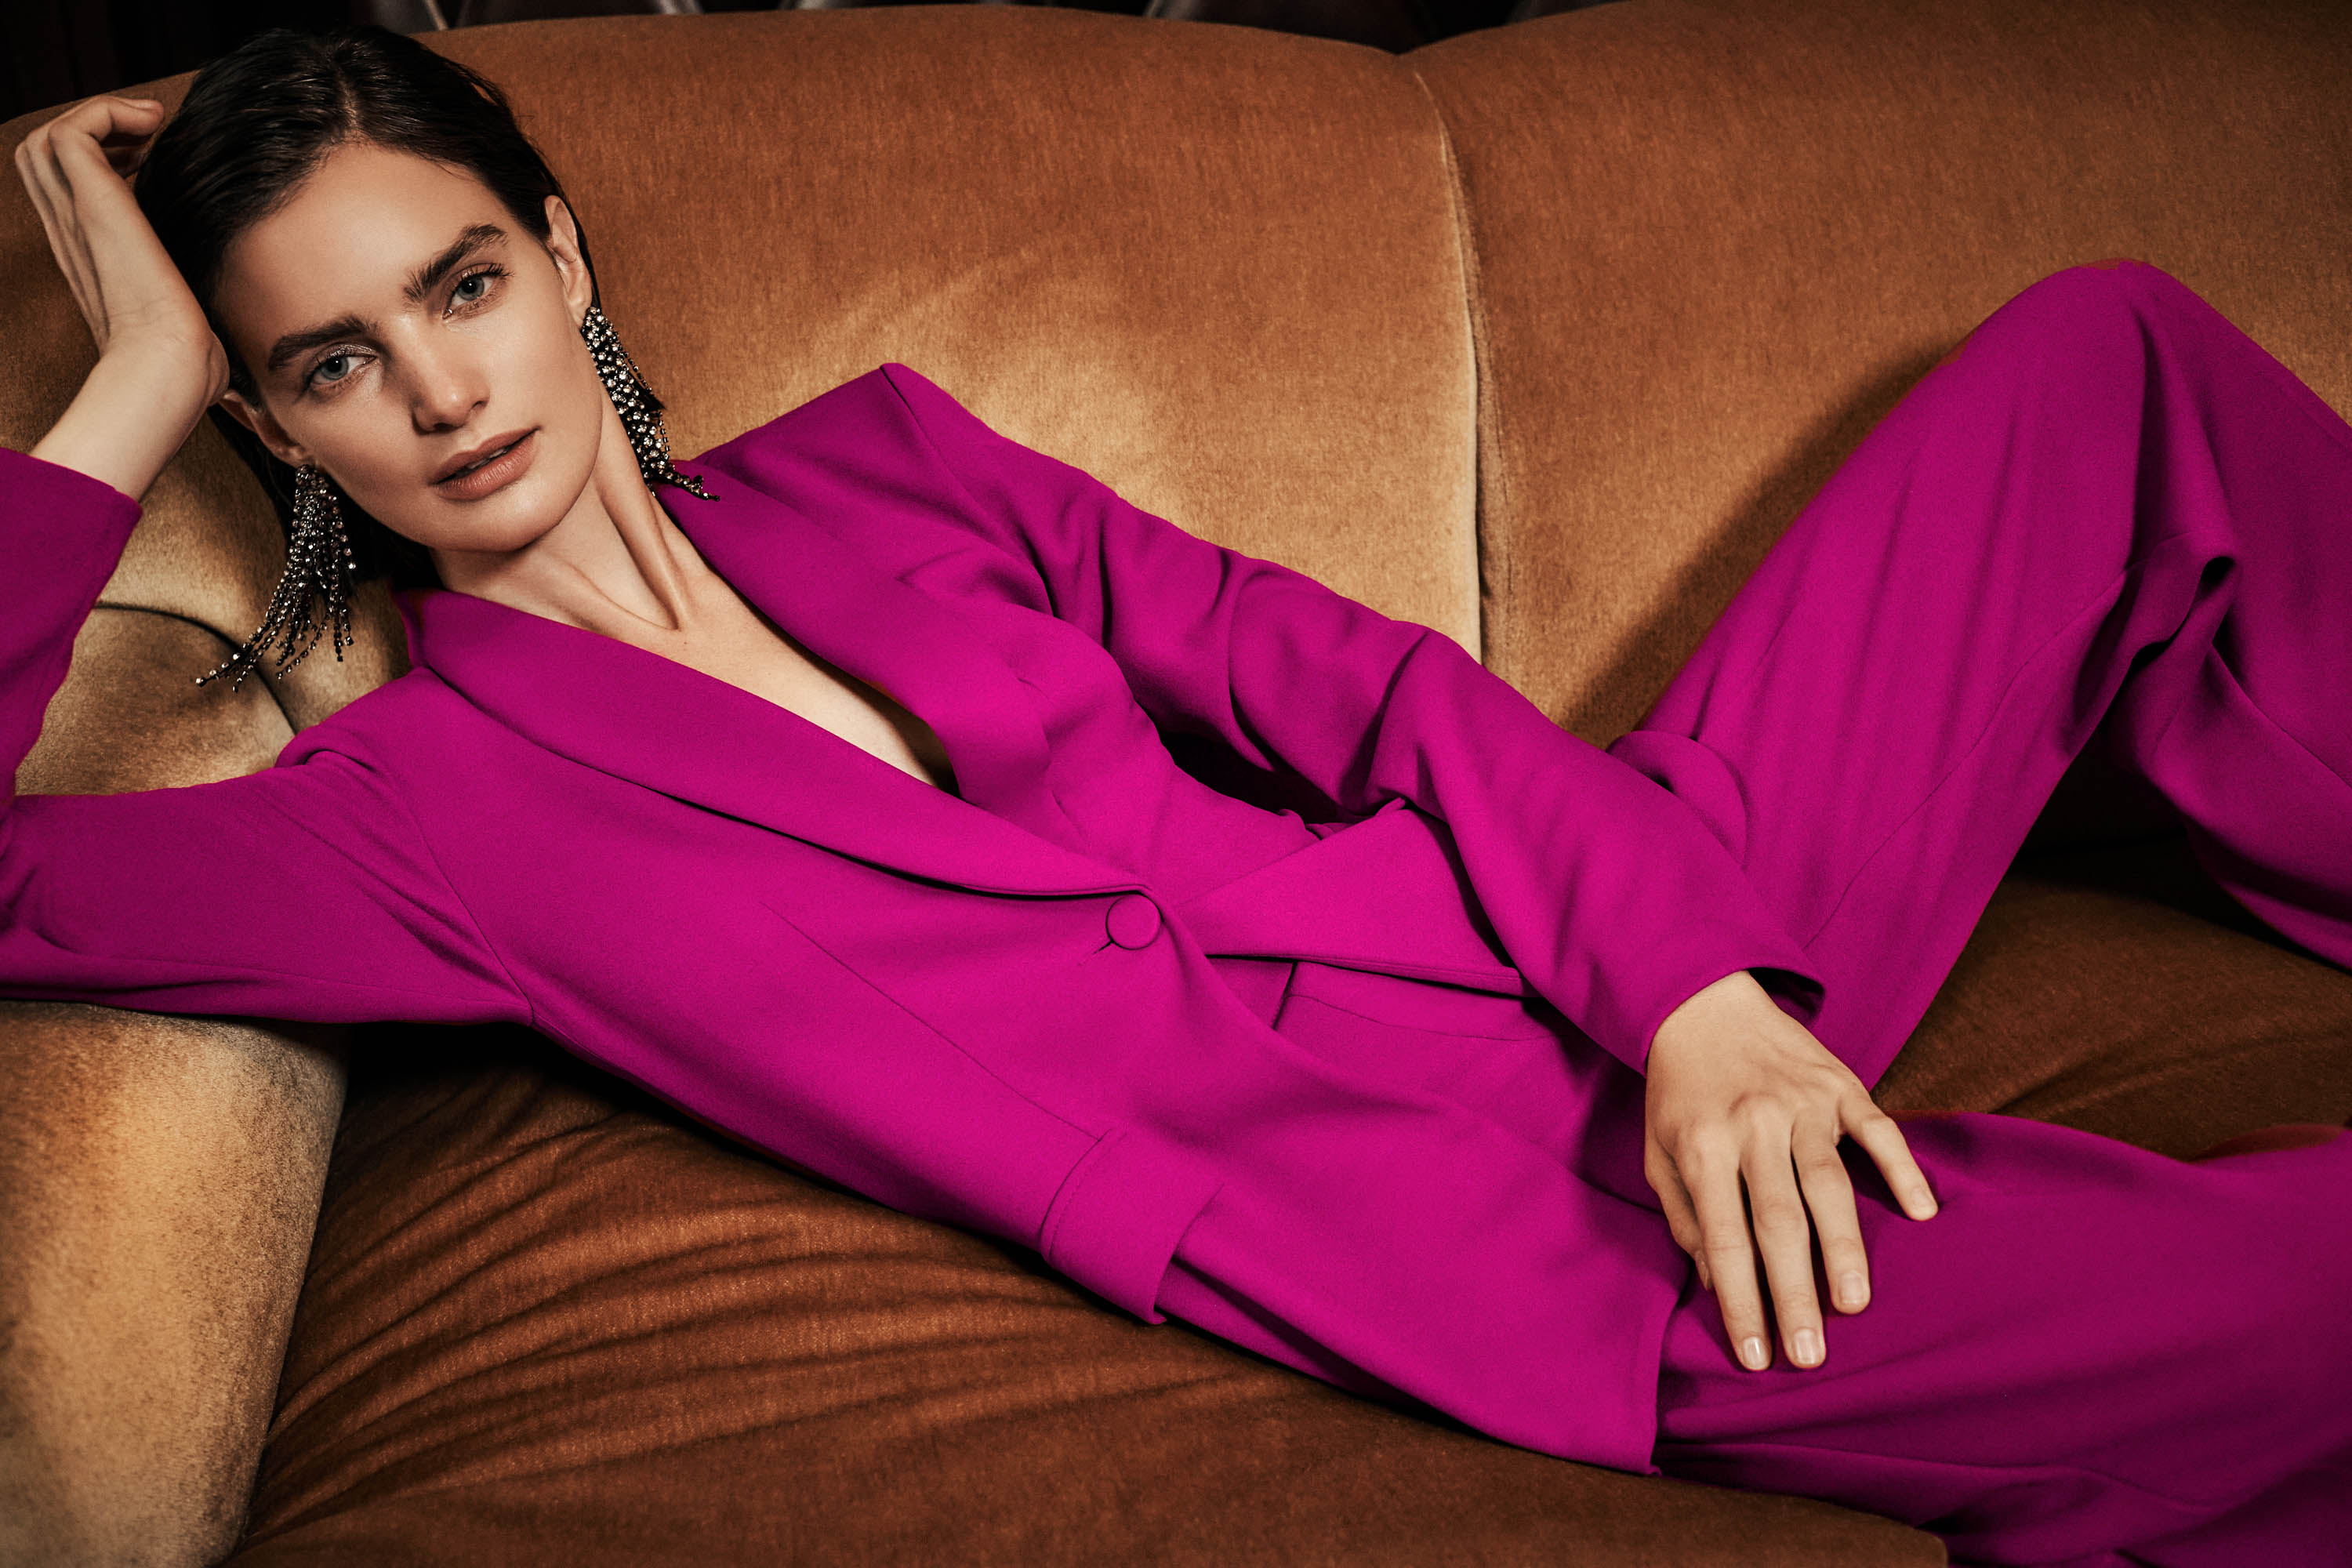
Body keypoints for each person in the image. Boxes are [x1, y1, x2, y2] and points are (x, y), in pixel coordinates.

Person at [5, 23, 2347, 1566]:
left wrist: (1698, 990)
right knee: (2288, 1308)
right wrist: (127, 389)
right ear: (273, 424)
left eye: (463, 284)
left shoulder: (881, 463)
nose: (441, 391)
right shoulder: (417, 816)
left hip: (1604, 901)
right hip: (1495, 1237)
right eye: (331, 361)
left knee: (2106, 365)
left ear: (563, 257)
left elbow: (1374, 692)